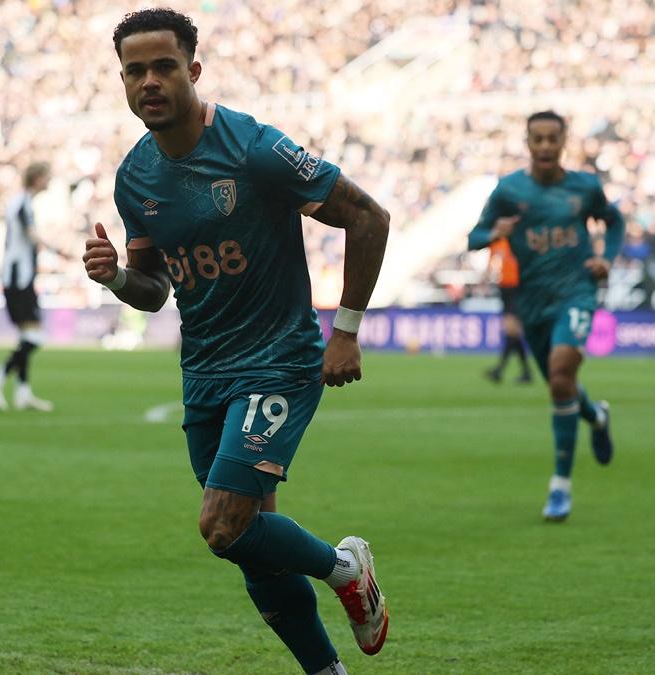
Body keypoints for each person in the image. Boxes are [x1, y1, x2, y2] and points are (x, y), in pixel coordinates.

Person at [83, 9, 390, 674]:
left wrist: (346, 330)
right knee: (252, 540)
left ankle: (344, 568)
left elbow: (368, 216)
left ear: (193, 70)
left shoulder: (253, 149)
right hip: (206, 371)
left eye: (164, 66)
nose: (150, 81)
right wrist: (117, 281)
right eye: (134, 71)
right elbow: (155, 289)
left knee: (222, 524)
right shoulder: (135, 177)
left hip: (279, 359)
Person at [466, 110, 622, 521]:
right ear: (528, 143)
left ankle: (560, 487)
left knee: (560, 373)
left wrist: (606, 257)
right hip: (532, 303)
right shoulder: (510, 189)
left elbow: (614, 220)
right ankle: (596, 415)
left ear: (564, 141)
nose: (547, 146)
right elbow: (474, 236)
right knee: (561, 384)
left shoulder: (585, 187)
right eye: (539, 139)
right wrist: (493, 232)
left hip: (576, 293)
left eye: (554, 138)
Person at [0, 161, 65, 412]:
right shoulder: (23, 203)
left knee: (27, 336)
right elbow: (31, 234)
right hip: (19, 278)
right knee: (36, 336)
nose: (49, 180)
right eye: (47, 176)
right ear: (38, 178)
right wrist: (57, 249)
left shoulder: (19, 202)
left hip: (17, 277)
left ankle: (23, 391)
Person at [485, 236, 531, 384]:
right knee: (514, 333)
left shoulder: (518, 239)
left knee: (511, 330)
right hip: (505, 288)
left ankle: (500, 369)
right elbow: (492, 263)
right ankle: (525, 372)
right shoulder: (497, 242)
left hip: (517, 288)